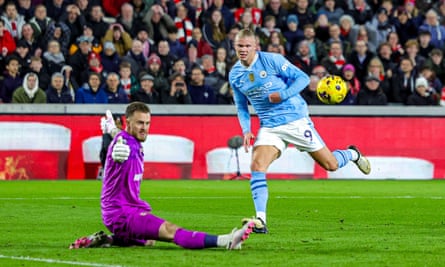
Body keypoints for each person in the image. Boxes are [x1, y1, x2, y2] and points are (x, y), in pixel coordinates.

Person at [228, 29, 371, 234]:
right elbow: (241, 106)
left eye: (247, 46)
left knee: (330, 164)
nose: (243, 49)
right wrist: (246, 130)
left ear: (255, 46)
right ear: (235, 46)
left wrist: (283, 94)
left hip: (295, 119)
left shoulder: (271, 60)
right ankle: (260, 220)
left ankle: (353, 154)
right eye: (240, 46)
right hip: (269, 126)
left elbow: (302, 78)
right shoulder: (235, 74)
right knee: (257, 164)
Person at [69, 103, 255, 250]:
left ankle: (106, 239)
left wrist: (112, 130)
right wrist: (116, 148)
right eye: (140, 123)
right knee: (169, 230)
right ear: (128, 123)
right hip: (122, 213)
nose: (145, 128)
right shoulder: (125, 144)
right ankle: (226, 240)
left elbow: (121, 136)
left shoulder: (131, 139)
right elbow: (121, 146)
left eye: (147, 123)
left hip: (121, 210)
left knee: (149, 241)